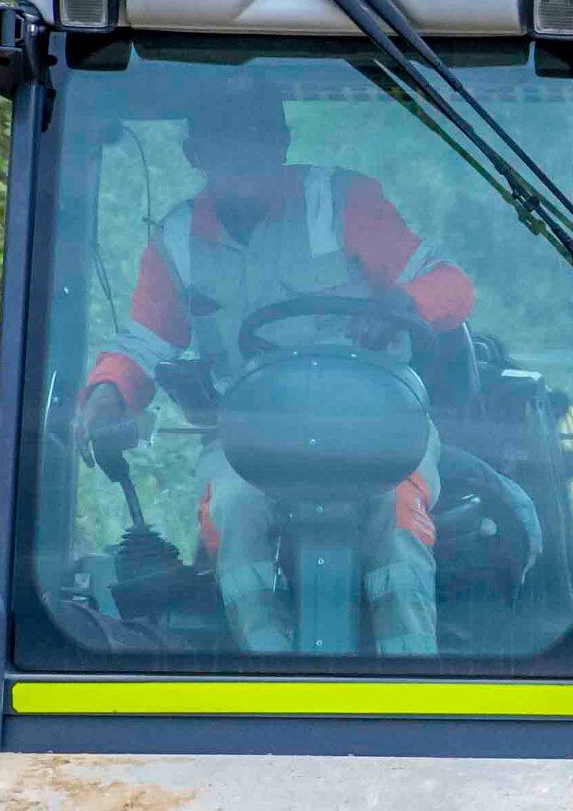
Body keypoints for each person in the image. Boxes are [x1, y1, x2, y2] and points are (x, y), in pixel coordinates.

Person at [79, 99, 472, 656]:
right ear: (195, 153)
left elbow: (449, 283)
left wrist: (402, 304)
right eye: (226, 143)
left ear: (283, 144)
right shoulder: (177, 240)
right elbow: (146, 343)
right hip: (250, 434)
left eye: (258, 141)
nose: (244, 156)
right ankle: (266, 669)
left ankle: (412, 680)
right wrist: (109, 390)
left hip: (378, 425)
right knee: (232, 510)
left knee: (396, 515)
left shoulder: (343, 202)